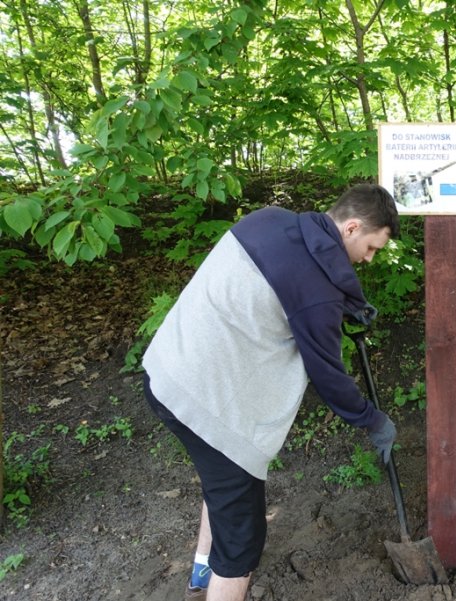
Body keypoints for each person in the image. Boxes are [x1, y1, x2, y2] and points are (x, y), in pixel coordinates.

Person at [142, 183, 400, 601]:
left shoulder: (267, 220)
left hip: (166, 373)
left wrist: (342, 308)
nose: (369, 259)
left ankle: (201, 578)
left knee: (221, 487)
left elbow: (287, 284)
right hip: (207, 405)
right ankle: (222, 581)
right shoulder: (318, 297)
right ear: (351, 228)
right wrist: (372, 418)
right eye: (371, 247)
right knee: (242, 538)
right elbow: (328, 375)